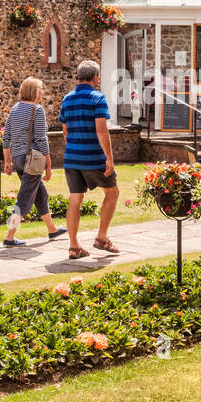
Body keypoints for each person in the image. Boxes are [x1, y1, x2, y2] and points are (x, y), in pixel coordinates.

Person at [59, 60, 119, 259]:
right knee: (112, 193)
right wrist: (109, 158)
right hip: (93, 158)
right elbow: (101, 129)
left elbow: (65, 132)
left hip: (72, 158)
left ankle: (74, 246)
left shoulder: (67, 99)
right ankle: (101, 238)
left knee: (75, 200)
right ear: (95, 77)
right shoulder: (97, 97)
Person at [0, 77, 66, 247]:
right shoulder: (37, 110)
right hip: (33, 159)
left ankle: (52, 229)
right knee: (24, 199)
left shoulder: (14, 109)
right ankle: (9, 236)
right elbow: (41, 139)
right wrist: (49, 164)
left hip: (18, 159)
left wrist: (8, 161)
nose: (42, 93)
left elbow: (6, 137)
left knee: (40, 194)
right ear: (35, 92)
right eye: (40, 90)